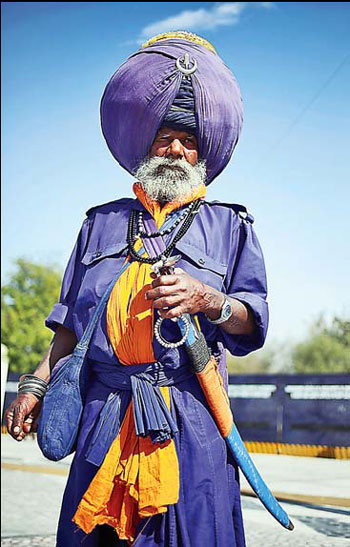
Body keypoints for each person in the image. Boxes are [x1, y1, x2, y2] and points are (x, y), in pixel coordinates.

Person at [6, 31, 268, 546]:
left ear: (202, 154)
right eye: (165, 137)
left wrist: (208, 301)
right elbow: (68, 325)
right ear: (146, 145)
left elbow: (252, 320)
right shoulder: (98, 224)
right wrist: (36, 384)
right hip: (106, 415)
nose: (175, 149)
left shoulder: (232, 227)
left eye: (188, 140)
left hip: (191, 417)